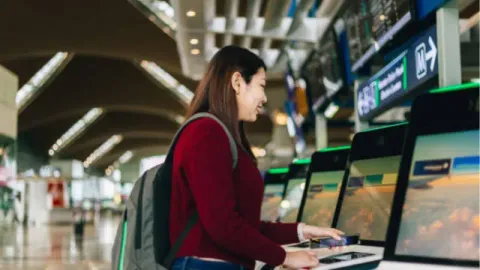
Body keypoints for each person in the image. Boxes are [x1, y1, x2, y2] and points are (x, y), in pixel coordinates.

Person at [170, 45, 344, 270]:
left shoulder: (220, 135)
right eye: (261, 86)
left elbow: (245, 226)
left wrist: (302, 231)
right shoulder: (206, 133)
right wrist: (284, 257)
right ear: (237, 82)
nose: (264, 98)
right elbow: (223, 226)